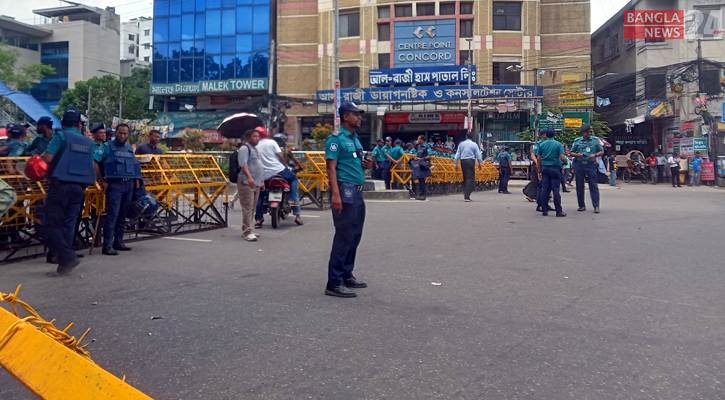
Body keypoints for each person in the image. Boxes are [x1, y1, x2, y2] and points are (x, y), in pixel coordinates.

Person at [324, 101, 371, 298]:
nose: (359, 117)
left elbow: (357, 164)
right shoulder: (336, 139)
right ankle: (334, 283)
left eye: (359, 114)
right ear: (345, 117)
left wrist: (366, 164)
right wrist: (336, 194)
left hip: (357, 192)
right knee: (344, 235)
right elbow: (331, 168)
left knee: (355, 235)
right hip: (344, 190)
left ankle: (346, 274)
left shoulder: (355, 139)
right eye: (355, 114)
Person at [40, 107, 95, 276]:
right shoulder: (88, 142)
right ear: (79, 124)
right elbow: (89, 166)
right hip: (79, 188)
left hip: (60, 186)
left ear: (62, 123)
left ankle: (66, 256)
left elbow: (47, 158)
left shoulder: (61, 135)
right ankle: (64, 264)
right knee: (69, 224)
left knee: (49, 224)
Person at [94, 123, 142, 255]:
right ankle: (107, 244)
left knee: (122, 215)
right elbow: (94, 161)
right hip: (114, 185)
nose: (122, 135)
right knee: (112, 215)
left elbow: (135, 167)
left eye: (125, 133)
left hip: (128, 184)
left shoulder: (129, 148)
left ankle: (118, 241)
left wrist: (137, 185)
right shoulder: (107, 146)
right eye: (120, 133)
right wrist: (102, 181)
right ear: (115, 133)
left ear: (128, 134)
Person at [255, 128, 303, 227]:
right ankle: (296, 211)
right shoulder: (272, 143)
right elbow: (280, 156)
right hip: (278, 171)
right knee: (293, 178)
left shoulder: (254, 146)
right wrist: (286, 166)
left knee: (260, 196)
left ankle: (258, 219)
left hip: (263, 175)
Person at [237, 129, 265, 241]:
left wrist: (261, 180)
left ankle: (250, 228)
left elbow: (258, 165)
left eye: (258, 136)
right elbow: (243, 164)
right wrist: (249, 177)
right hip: (247, 182)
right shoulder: (245, 148)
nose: (257, 138)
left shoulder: (255, 149)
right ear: (248, 138)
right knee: (247, 207)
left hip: (256, 182)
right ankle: (247, 231)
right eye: (254, 136)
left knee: (253, 207)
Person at [570, 124, 604, 213]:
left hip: (591, 165)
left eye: (590, 132)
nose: (589, 134)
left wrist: (595, 155)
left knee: (593, 186)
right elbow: (571, 152)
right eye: (587, 132)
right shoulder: (577, 141)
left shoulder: (596, 140)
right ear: (583, 133)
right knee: (579, 186)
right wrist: (578, 155)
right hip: (580, 165)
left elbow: (602, 151)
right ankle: (581, 205)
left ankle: (596, 206)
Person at [536, 128, 567, 217]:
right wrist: (566, 162)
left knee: (545, 189)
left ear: (545, 134)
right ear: (555, 135)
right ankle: (559, 211)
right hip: (555, 168)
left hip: (545, 168)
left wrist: (539, 170)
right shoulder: (558, 144)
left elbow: (538, 159)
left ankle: (544, 210)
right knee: (556, 189)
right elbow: (562, 157)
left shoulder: (541, 144)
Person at [454, 131, 483, 202]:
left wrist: (456, 164)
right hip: (471, 161)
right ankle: (467, 196)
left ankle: (465, 193)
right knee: (470, 178)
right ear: (472, 137)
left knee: (465, 177)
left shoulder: (461, 144)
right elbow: (478, 155)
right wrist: (480, 163)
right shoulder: (474, 144)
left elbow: (457, 154)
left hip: (463, 161)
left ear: (466, 136)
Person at [412, 135, 433, 201]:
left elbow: (430, 156)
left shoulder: (427, 146)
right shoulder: (418, 147)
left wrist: (421, 158)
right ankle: (420, 194)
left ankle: (423, 194)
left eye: (418, 139)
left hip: (423, 165)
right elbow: (418, 155)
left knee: (422, 179)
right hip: (418, 165)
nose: (417, 140)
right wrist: (416, 157)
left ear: (422, 139)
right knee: (419, 179)